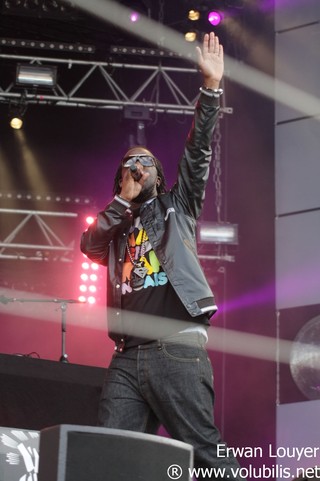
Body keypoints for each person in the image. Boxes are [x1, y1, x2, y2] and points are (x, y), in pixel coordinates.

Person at [81, 32, 246, 480]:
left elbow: (198, 151)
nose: (140, 166)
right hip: (126, 356)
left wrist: (210, 90)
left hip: (176, 346)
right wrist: (121, 203)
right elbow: (89, 247)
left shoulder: (180, 205)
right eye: (132, 163)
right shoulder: (113, 225)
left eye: (148, 162)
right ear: (121, 179)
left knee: (205, 454)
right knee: (108, 458)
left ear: (158, 174)